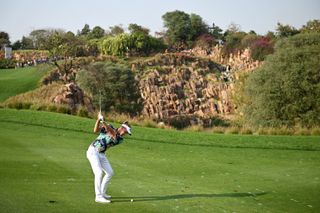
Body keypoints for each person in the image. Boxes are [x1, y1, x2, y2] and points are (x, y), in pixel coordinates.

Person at [86, 112, 132, 204]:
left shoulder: (119, 139)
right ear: (122, 128)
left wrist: (103, 121)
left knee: (110, 173)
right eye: (125, 132)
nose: (125, 134)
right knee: (99, 173)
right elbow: (95, 130)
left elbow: (112, 133)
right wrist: (98, 120)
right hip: (93, 151)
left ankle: (102, 193)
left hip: (102, 154)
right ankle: (98, 196)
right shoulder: (109, 127)